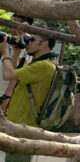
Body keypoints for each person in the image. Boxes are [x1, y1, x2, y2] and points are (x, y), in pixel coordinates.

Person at [1, 34, 57, 162]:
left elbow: (8, 74)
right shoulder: (39, 63)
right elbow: (15, 72)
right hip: (20, 124)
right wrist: (16, 50)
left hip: (25, 128)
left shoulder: (44, 66)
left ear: (45, 43)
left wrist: (5, 50)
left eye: (32, 40)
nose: (28, 42)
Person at [1, 15, 34, 114]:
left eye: (15, 21)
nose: (11, 23)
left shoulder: (25, 42)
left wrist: (6, 98)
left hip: (4, 92)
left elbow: (17, 71)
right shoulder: (13, 40)